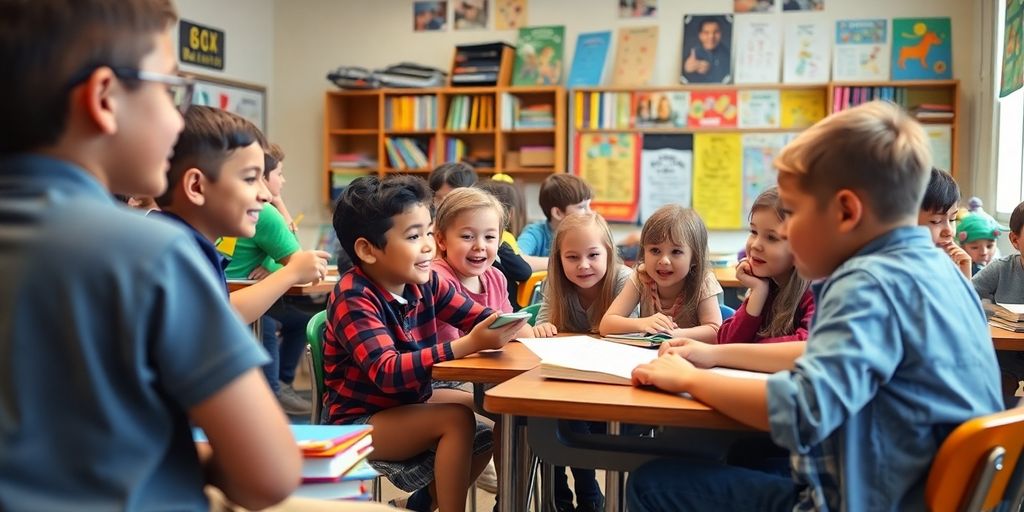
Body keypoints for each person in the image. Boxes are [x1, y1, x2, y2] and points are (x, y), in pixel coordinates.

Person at [0, 1, 302, 509]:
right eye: (168, 90)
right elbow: (268, 474)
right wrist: (178, 456)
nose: (177, 117)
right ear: (104, 98)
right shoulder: (150, 253)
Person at [628, 101, 1002, 511]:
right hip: (919, 496)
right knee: (747, 454)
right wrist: (712, 353)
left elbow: (802, 411)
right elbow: (819, 351)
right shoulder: (941, 271)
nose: (785, 231)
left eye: (792, 213)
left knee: (654, 483)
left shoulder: (866, 283)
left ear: (846, 211)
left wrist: (689, 379)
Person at [325, 175, 526, 512]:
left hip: (408, 402)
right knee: (456, 421)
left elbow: (476, 315)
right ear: (367, 250)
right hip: (358, 422)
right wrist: (469, 344)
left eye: (428, 233)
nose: (429, 247)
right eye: (414, 236)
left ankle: (422, 504)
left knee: (493, 417)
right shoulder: (354, 296)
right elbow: (387, 371)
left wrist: (519, 327)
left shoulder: (424, 281)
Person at [154, 106, 330, 326]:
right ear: (197, 186)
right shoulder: (171, 253)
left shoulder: (193, 248)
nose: (266, 195)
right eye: (249, 179)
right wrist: (291, 273)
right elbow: (219, 319)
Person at [531, 212, 634, 512]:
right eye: (572, 257)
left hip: (612, 387)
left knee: (561, 414)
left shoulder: (624, 280)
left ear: (609, 253)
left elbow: (635, 334)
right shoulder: (556, 283)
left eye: (593, 255)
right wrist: (542, 330)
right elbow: (542, 324)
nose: (583, 265)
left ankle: (588, 495)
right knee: (549, 413)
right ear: (559, 259)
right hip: (566, 380)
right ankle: (560, 496)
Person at [219, 142, 323, 415]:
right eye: (253, 178)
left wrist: (275, 266)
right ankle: (275, 393)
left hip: (244, 301)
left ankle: (280, 386)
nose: (266, 193)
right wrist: (286, 269)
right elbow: (297, 261)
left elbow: (292, 257)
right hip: (243, 304)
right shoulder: (265, 215)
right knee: (263, 322)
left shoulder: (264, 214)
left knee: (294, 320)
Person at [600, 205, 723, 342]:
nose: (664, 260)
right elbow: (606, 324)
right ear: (643, 252)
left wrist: (670, 335)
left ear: (694, 258)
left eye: (676, 252)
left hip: (689, 359)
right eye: (655, 251)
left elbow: (715, 331)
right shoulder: (641, 277)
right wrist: (643, 324)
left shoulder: (703, 281)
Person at [716, 187, 813, 344]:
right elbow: (726, 342)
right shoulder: (766, 284)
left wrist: (753, 349)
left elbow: (808, 346)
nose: (755, 245)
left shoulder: (815, 292)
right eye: (753, 232)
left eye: (771, 238)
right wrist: (758, 293)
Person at [972, 200, 1024, 408]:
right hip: (1004, 356)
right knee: (998, 394)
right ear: (1014, 240)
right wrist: (992, 313)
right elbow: (966, 296)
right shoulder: (1001, 269)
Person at [476, 176, 533, 309]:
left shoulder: (503, 240)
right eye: (467, 236)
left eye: (490, 237)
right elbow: (523, 272)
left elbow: (523, 271)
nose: (480, 245)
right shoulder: (504, 241)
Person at [518, 173, 594, 271]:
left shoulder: (589, 234)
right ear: (557, 213)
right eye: (582, 207)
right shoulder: (535, 233)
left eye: (589, 205)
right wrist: (565, 263)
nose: (590, 213)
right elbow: (517, 260)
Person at [917, 167, 972, 278]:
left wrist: (964, 274)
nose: (949, 231)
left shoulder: (949, 262)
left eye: (953, 219)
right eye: (936, 221)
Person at [957, 211, 1008, 275]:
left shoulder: (999, 264)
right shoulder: (959, 269)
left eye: (989, 246)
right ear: (963, 248)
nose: (984, 252)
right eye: (975, 247)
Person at [682, 17, 731, 84]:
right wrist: (686, 70)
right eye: (706, 33)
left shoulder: (728, 55)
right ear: (700, 35)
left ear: (721, 33)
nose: (711, 37)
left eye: (716, 32)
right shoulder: (690, 54)